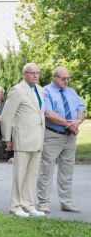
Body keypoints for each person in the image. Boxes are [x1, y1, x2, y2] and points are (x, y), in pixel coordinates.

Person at [36, 67, 86, 214]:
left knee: (67, 171)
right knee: (46, 170)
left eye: (68, 78)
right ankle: (43, 202)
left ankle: (66, 203)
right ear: (54, 77)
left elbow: (81, 109)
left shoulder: (71, 91)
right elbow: (48, 113)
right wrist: (69, 124)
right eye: (64, 78)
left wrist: (77, 122)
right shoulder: (45, 91)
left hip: (70, 137)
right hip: (53, 135)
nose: (67, 81)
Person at [0, 63, 46, 218]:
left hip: (37, 138)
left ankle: (28, 204)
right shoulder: (17, 90)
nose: (35, 75)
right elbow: (6, 117)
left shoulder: (40, 90)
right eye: (32, 73)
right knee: (19, 175)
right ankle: (15, 206)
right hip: (23, 139)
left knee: (32, 175)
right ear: (24, 74)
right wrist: (7, 139)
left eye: (37, 73)